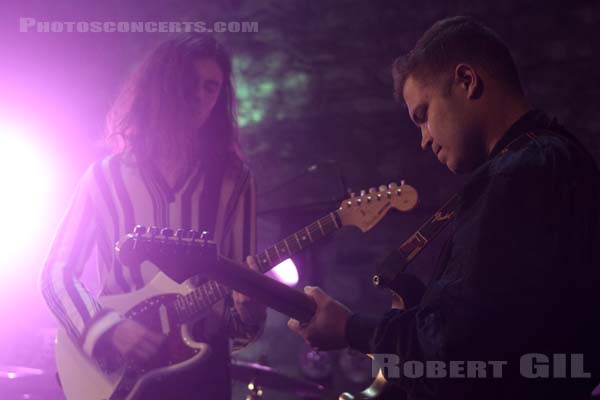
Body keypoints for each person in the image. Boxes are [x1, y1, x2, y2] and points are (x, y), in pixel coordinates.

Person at [288, 16, 600, 399]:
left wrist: (351, 329)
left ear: (467, 81)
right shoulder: (553, 160)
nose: (423, 140)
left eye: (423, 115)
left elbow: (457, 348)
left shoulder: (518, 175)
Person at [41, 33, 266, 399]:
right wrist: (107, 328)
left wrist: (250, 311)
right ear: (162, 86)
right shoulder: (104, 177)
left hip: (202, 376)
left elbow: (237, 322)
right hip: (118, 377)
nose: (200, 96)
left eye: (211, 87)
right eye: (189, 82)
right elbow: (55, 274)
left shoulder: (234, 180)